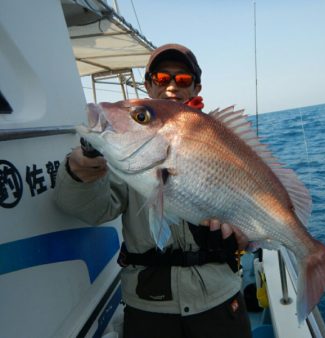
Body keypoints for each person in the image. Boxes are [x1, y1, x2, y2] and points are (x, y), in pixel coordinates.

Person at [54, 43, 252, 338]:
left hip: (218, 297)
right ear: (148, 84)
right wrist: (79, 173)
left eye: (183, 79)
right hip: (149, 307)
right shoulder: (129, 151)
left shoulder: (221, 140)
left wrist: (245, 238)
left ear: (196, 86)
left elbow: (249, 220)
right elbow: (92, 210)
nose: (172, 85)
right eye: (161, 78)